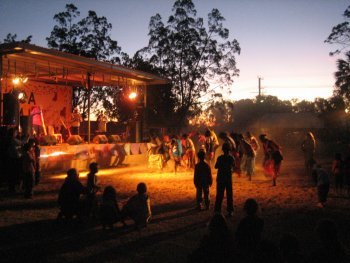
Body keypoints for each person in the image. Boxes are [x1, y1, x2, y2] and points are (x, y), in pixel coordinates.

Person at [214, 142, 235, 217]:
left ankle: (217, 210)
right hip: (228, 179)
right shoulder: (231, 158)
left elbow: (215, 167)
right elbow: (234, 167)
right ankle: (230, 211)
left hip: (220, 178)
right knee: (229, 195)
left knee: (219, 195)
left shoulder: (220, 158)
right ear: (229, 150)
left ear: (223, 150)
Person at [6, 127, 23, 194]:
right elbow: (21, 143)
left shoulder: (10, 139)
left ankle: (12, 188)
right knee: (15, 174)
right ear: (13, 133)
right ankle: (13, 189)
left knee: (12, 175)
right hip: (14, 159)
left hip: (11, 159)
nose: (17, 133)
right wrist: (27, 137)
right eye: (16, 132)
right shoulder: (13, 140)